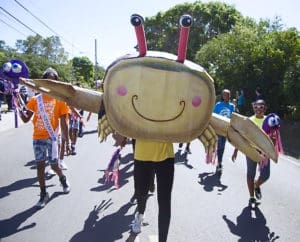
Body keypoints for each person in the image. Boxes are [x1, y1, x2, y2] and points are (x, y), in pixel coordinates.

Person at [19, 67, 71, 208]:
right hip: (38, 138)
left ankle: (63, 178)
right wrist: (18, 107)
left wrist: (67, 142)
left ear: (57, 83)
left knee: (54, 165)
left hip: (53, 138)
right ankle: (43, 194)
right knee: (40, 166)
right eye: (47, 81)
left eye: (53, 81)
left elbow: (64, 123)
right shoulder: (35, 100)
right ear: (43, 82)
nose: (50, 83)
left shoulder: (60, 100)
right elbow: (25, 119)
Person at [131, 140, 174, 242]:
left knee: (165, 203)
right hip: (142, 156)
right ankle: (140, 215)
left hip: (166, 156)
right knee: (141, 193)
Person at [232, 99, 271, 208]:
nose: (258, 109)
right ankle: (252, 197)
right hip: (251, 150)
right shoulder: (249, 121)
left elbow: (273, 136)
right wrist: (236, 150)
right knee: (250, 173)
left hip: (264, 152)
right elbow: (241, 136)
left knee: (265, 175)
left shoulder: (269, 120)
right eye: (256, 107)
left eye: (261, 107)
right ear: (253, 108)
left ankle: (256, 185)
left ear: (265, 108)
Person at [213, 89, 235, 174]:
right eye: (225, 95)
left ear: (230, 96)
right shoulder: (218, 105)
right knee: (220, 145)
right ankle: (219, 163)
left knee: (222, 147)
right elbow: (213, 116)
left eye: (228, 95)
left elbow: (233, 117)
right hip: (218, 129)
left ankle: (219, 161)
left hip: (226, 130)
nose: (227, 96)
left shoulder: (232, 106)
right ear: (222, 96)